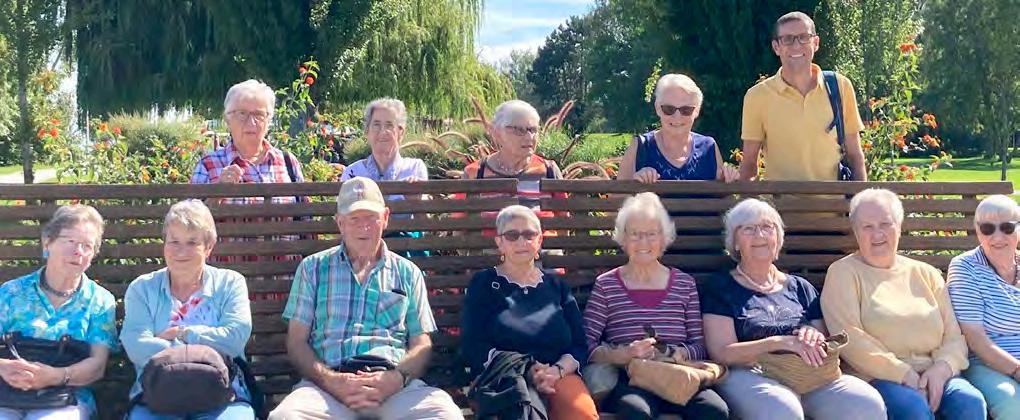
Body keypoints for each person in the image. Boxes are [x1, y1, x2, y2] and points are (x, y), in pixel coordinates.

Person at [268, 177, 462, 419]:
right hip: (327, 387)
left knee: (445, 415)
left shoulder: (407, 272)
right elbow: (296, 341)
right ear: (340, 223)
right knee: (285, 417)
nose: (364, 227)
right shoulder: (312, 268)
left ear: (386, 217)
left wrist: (396, 378)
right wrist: (331, 381)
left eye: (371, 217)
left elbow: (421, 343)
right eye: (354, 219)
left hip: (392, 385)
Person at [701, 198, 885, 420]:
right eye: (748, 229)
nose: (760, 235)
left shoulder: (800, 287)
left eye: (767, 227)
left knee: (867, 404)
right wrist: (779, 343)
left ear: (778, 239)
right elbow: (722, 352)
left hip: (808, 373)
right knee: (782, 411)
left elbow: (822, 335)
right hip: (751, 374)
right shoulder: (721, 288)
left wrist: (813, 334)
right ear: (735, 242)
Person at [821, 188, 986, 419]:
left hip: (935, 372)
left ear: (899, 227)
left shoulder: (925, 273)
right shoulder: (843, 273)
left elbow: (954, 336)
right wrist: (904, 374)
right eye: (867, 226)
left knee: (970, 402)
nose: (877, 233)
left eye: (885, 224)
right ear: (855, 232)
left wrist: (942, 369)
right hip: (878, 378)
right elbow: (850, 339)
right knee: (913, 409)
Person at [582, 192, 729, 419]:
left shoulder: (684, 284)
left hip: (679, 375)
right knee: (636, 412)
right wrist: (623, 354)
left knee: (714, 410)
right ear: (623, 239)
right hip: (632, 378)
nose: (643, 242)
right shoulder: (606, 285)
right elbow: (586, 344)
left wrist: (678, 353)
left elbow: (700, 346)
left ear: (664, 238)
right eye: (635, 234)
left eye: (651, 234)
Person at [460, 204, 597, 420]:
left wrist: (557, 371)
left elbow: (579, 343)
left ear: (539, 240)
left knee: (582, 414)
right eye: (512, 235)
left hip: (556, 374)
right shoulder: (483, 284)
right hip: (505, 376)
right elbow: (472, 344)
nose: (521, 242)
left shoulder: (556, 286)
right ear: (499, 243)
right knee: (525, 413)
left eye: (529, 235)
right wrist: (528, 368)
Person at [120, 200, 255, 419]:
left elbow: (235, 338)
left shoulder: (230, 283)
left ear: (209, 247)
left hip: (222, 396)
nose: (181, 251)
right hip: (156, 397)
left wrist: (183, 334)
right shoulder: (142, 288)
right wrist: (203, 352)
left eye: (192, 242)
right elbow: (135, 345)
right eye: (174, 241)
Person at [0, 205, 118, 420]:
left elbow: (97, 365)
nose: (78, 251)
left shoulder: (100, 301)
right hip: (5, 393)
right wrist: (3, 368)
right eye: (70, 241)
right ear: (47, 242)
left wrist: (55, 376)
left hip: (65, 398)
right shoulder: (10, 293)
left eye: (87, 246)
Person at [738, 11, 867, 181]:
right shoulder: (757, 96)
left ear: (816, 43)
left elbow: (855, 155)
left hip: (834, 198)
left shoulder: (839, 86)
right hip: (781, 199)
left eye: (804, 37)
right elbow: (749, 164)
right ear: (776, 47)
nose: (796, 45)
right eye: (788, 39)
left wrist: (861, 197)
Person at [190, 79, 306, 266]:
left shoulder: (288, 162)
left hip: (283, 274)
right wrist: (217, 194)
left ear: (269, 120)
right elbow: (190, 227)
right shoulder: (209, 165)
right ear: (228, 119)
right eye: (242, 114)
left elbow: (305, 221)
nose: (251, 122)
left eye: (259, 114)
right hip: (227, 274)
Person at [947, 194, 1020, 419]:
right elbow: (975, 338)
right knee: (1013, 405)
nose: (997, 237)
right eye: (988, 229)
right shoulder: (965, 268)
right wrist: (1017, 370)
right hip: (988, 364)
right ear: (978, 232)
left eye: (1007, 227)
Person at [341, 98, 429, 257]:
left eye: (389, 125)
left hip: (405, 250)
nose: (383, 131)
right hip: (361, 250)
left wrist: (416, 202)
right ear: (367, 131)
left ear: (400, 132)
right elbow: (344, 223)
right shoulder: (353, 172)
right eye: (376, 125)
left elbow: (424, 225)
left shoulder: (415, 168)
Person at [460, 100, 566, 226]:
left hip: (540, 239)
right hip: (494, 240)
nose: (529, 137)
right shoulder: (475, 173)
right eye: (518, 130)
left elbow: (564, 224)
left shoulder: (549, 170)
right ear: (497, 133)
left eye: (533, 130)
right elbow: (459, 228)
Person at [617, 74, 738, 183]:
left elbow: (723, 197)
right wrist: (636, 183)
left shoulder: (708, 148)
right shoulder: (641, 147)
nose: (677, 116)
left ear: (696, 111)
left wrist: (727, 180)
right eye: (669, 109)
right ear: (658, 108)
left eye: (686, 110)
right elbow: (617, 197)